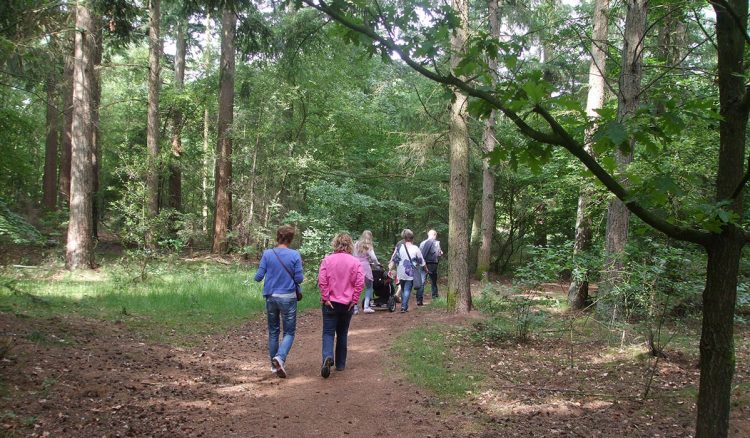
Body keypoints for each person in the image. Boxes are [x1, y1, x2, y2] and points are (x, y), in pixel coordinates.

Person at [254, 225, 304, 378]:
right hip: (288, 297)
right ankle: (280, 357)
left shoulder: (267, 254)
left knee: (274, 331)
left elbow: (258, 277)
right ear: (290, 239)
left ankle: (274, 366)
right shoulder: (295, 255)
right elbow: (299, 279)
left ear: (278, 237)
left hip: (271, 297)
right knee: (289, 332)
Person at [318, 233, 364, 378]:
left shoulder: (327, 260)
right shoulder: (355, 262)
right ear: (349, 245)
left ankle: (327, 356)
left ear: (335, 244)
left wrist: (326, 298)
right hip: (347, 304)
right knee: (342, 333)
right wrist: (354, 300)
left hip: (330, 303)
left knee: (328, 332)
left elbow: (322, 280)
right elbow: (360, 282)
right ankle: (340, 364)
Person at [389, 229, 426, 312]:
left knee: (402, 288)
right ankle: (404, 307)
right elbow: (421, 261)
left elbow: (395, 259)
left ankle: (403, 305)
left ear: (404, 238)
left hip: (401, 271)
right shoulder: (415, 248)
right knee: (407, 289)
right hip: (410, 271)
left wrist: (391, 267)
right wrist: (425, 268)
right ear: (412, 238)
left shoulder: (400, 247)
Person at [353, 230, 379, 314]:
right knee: (369, 287)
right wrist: (377, 264)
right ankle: (366, 307)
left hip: (356, 267)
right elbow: (374, 258)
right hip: (365, 267)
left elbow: (353, 255)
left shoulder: (356, 244)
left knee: (356, 288)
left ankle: (355, 308)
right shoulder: (368, 246)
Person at [419, 229, 443, 300]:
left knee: (422, 282)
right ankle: (435, 298)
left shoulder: (422, 243)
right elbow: (438, 254)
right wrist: (441, 253)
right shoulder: (436, 243)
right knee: (433, 281)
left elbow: (419, 254)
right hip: (432, 264)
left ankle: (419, 299)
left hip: (423, 264)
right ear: (434, 235)